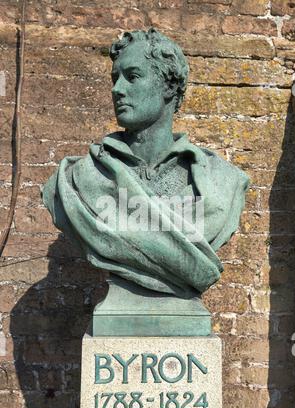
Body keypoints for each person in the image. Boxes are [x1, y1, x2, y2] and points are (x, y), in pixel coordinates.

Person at [42, 28, 249, 299]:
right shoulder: (76, 180)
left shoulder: (225, 182)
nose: (117, 89)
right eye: (115, 78)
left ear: (169, 86)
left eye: (133, 77)